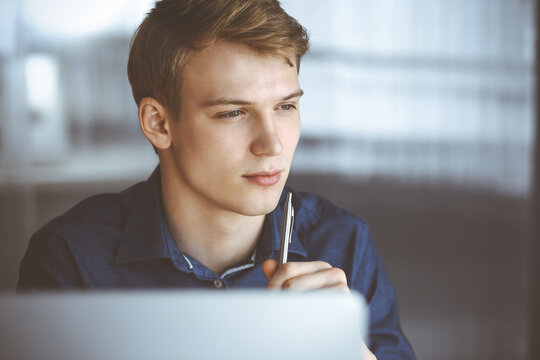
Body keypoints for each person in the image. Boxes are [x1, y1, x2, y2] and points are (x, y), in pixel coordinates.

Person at [18, 0, 415, 358]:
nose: (272, 144)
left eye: (285, 106)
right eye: (233, 113)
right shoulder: (71, 260)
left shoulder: (343, 242)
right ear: (158, 123)